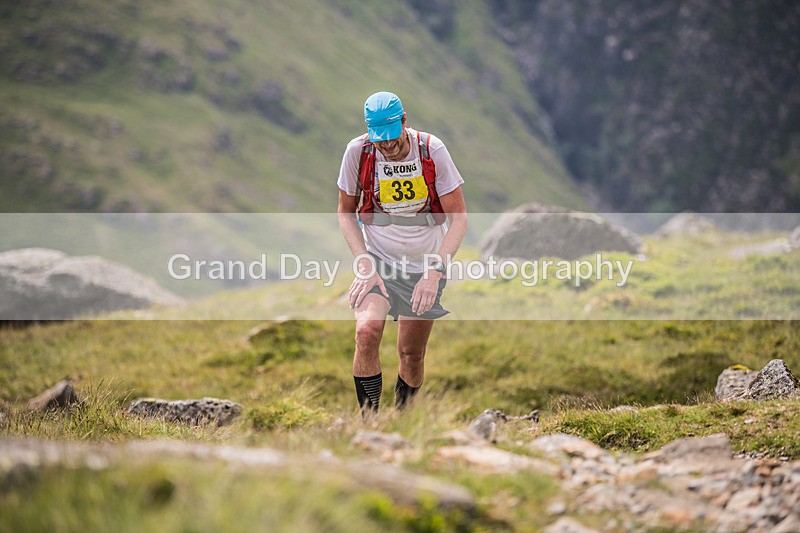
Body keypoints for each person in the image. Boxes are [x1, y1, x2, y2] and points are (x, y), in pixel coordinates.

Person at [337, 91, 468, 416]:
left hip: (425, 265)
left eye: (393, 137)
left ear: (404, 121)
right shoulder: (358, 152)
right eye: (380, 140)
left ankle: (403, 419)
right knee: (366, 332)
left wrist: (435, 272)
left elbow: (459, 219)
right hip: (379, 262)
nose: (388, 146)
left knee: (411, 354)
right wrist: (365, 264)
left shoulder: (432, 149)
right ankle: (370, 425)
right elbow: (345, 213)